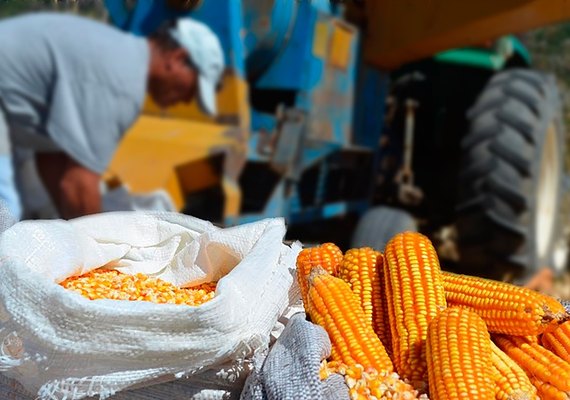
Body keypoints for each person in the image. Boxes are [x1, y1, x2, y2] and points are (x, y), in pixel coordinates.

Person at [0, 12, 224, 221]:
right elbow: (78, 184)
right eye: (192, 89)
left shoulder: (120, 55)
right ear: (177, 58)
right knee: (6, 213)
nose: (187, 100)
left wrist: (68, 230)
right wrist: (101, 253)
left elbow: (52, 156)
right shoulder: (122, 84)